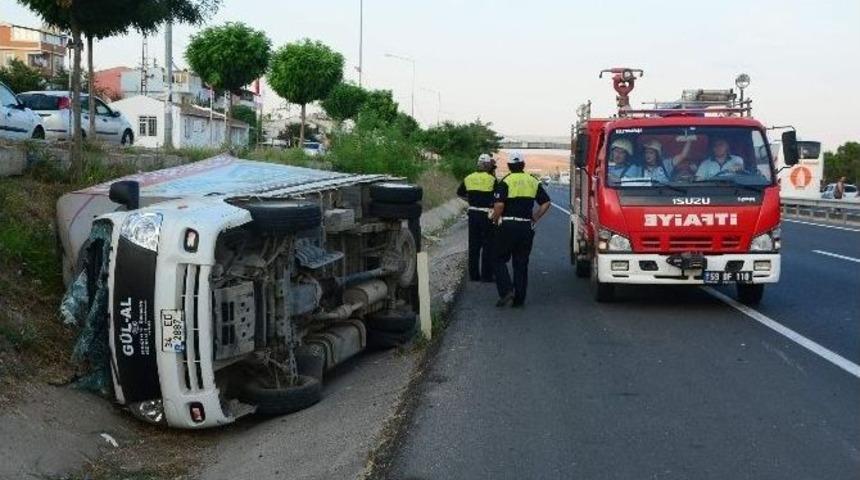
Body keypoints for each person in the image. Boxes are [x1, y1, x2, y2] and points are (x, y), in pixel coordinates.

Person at [491, 152, 551, 308]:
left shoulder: (505, 181)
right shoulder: (533, 181)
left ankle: (506, 291)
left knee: (498, 258)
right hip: (525, 227)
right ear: (523, 165)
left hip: (508, 226)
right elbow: (545, 203)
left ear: (509, 166)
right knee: (521, 263)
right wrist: (535, 217)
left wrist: (495, 219)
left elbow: (499, 205)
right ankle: (519, 300)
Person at [457, 154, 498, 282]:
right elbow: (497, 197)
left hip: (473, 214)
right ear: (487, 166)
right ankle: (486, 276)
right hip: (487, 214)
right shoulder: (492, 179)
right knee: (488, 245)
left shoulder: (468, 178)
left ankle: (474, 276)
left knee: (474, 245)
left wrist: (471, 200)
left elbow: (460, 193)